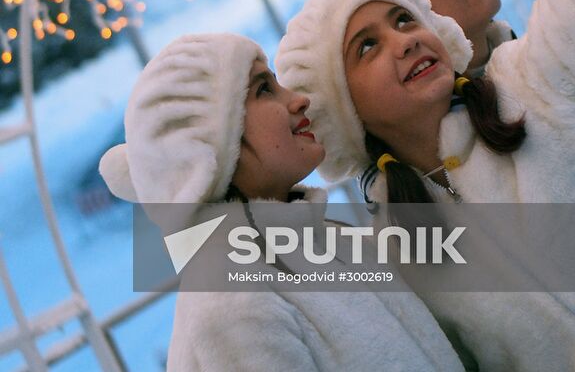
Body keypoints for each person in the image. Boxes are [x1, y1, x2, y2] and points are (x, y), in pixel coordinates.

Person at [276, 0, 575, 372]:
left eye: (405, 19)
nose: (406, 41)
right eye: (367, 46)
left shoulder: (535, 90)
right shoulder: (393, 256)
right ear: (344, 110)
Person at [99, 31, 466, 372]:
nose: (297, 99)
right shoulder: (230, 301)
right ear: (209, 146)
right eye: (264, 89)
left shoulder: (323, 239)